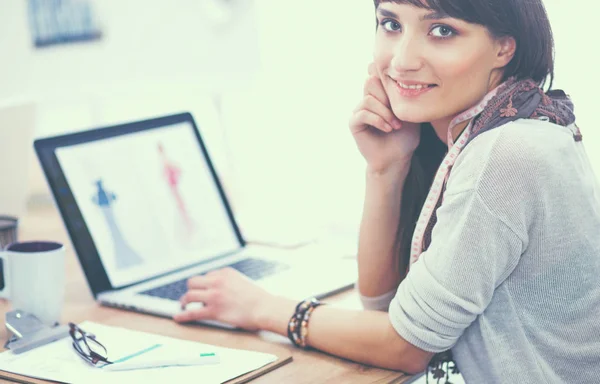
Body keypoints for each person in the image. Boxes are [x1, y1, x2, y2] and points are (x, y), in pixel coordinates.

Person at [174, 0, 600, 382]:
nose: (401, 60)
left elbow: (407, 345)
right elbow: (385, 307)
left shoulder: (507, 151)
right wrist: (385, 168)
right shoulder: (501, 127)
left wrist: (260, 309)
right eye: (391, 23)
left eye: (442, 31)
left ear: (504, 48)